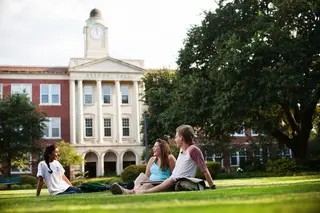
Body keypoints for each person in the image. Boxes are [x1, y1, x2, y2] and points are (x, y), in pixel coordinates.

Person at [134, 125, 216, 194]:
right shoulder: (182, 150)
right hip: (173, 179)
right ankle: (131, 191)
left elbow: (204, 170)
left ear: (181, 138)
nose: (175, 139)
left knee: (149, 188)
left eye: (176, 137)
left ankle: (139, 192)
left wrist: (212, 186)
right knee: (145, 183)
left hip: (178, 180)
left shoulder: (193, 149)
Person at [110, 139, 176, 195]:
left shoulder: (169, 158)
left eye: (155, 147)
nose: (153, 148)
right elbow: (146, 176)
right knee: (142, 175)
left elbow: (174, 175)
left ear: (162, 148)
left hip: (161, 183)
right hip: (150, 182)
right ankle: (133, 191)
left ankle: (127, 191)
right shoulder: (152, 160)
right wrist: (143, 183)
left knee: (147, 186)